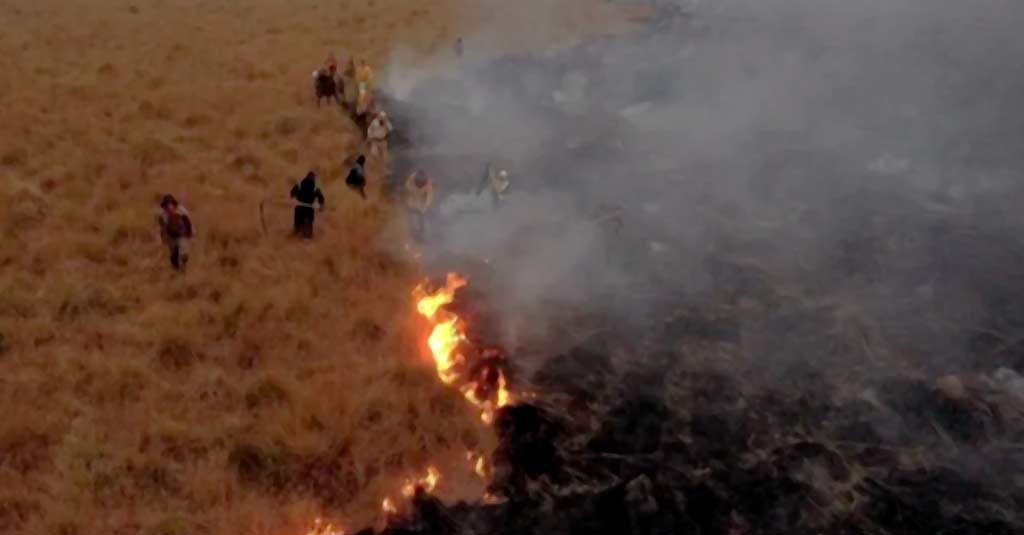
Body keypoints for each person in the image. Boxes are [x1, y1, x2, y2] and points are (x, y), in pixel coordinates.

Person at [157, 194, 194, 271]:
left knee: (183, 253)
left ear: (173, 204)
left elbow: (188, 223)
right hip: (170, 236)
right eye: (167, 205)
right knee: (174, 256)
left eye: (170, 204)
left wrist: (189, 233)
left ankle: (183, 268)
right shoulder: (162, 215)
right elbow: (162, 228)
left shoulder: (181, 211)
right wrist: (163, 238)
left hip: (182, 234)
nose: (169, 207)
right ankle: (176, 269)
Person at [289, 171, 326, 238]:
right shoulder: (315, 187)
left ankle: (296, 232)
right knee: (308, 231)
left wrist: (293, 197)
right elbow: (321, 198)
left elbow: (292, 193)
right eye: (314, 177)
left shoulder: (299, 184)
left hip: (299, 208)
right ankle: (307, 236)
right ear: (312, 177)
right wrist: (321, 206)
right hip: (309, 209)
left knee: (297, 228)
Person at [404, 170, 434, 240]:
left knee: (422, 218)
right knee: (411, 217)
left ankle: (422, 233)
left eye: (421, 184)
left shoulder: (428, 183)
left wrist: (425, 207)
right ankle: (411, 231)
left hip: (421, 201)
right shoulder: (412, 178)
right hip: (412, 199)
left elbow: (429, 197)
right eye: (418, 183)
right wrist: (412, 190)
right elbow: (407, 186)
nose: (419, 185)